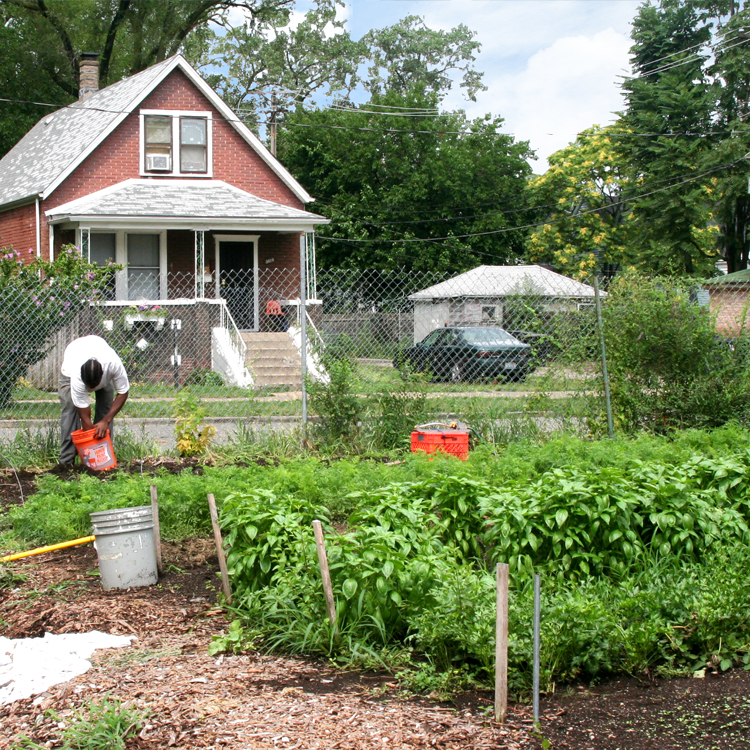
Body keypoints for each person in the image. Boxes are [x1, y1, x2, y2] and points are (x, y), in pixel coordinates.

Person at [58, 335, 130, 467]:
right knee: (69, 411)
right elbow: (85, 418)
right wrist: (90, 447)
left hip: (100, 352)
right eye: (88, 385)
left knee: (106, 410)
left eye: (94, 384)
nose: (91, 388)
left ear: (103, 374)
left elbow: (123, 392)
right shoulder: (76, 374)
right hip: (72, 363)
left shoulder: (113, 365)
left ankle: (104, 459)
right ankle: (66, 463)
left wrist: (105, 421)